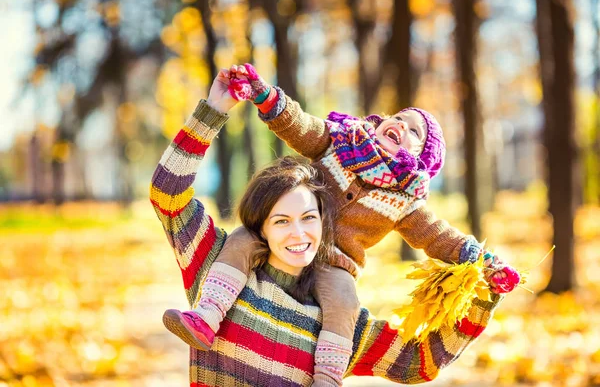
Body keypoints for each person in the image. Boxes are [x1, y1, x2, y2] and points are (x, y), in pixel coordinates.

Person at [152, 69, 510, 386]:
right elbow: (169, 193)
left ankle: (327, 378)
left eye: (310, 217)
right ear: (264, 215)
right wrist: (225, 107)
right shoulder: (214, 266)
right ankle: (207, 317)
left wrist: (483, 285)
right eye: (281, 219)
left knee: (343, 299)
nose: (299, 233)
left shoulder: (342, 325)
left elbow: (419, 361)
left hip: (338, 266)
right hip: (220, 293)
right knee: (240, 246)